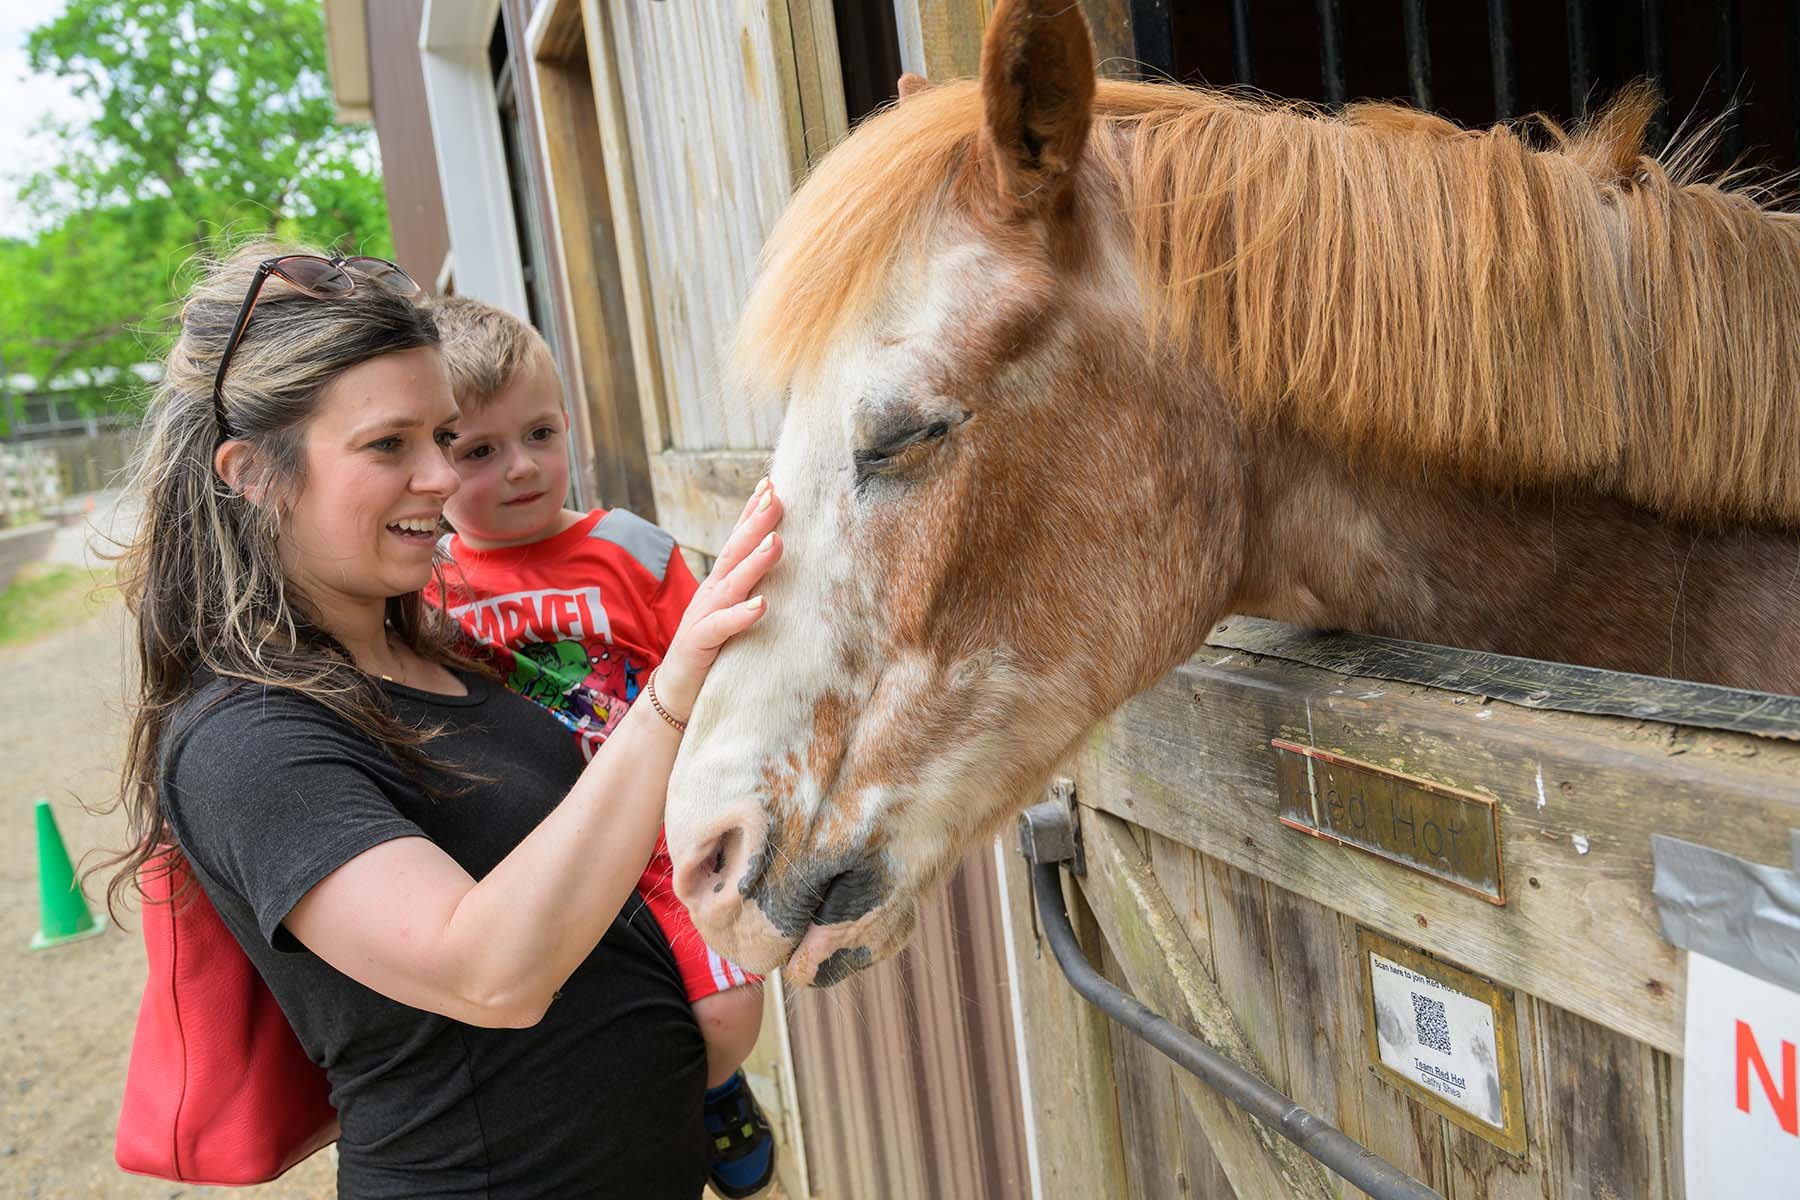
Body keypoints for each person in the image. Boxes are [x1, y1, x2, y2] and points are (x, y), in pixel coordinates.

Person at [102, 243, 782, 1200]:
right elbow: (488, 971)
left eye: (442, 436)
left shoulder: (441, 650)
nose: (438, 477)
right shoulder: (245, 736)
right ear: (253, 472)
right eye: (390, 446)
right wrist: (673, 691)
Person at [422, 295, 773, 1198]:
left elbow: (715, 670)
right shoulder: (429, 588)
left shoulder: (631, 551)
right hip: (535, 852)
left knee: (731, 1014)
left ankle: (718, 1089)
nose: (523, 467)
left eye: (540, 432)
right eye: (480, 452)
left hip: (657, 830)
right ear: (433, 463)